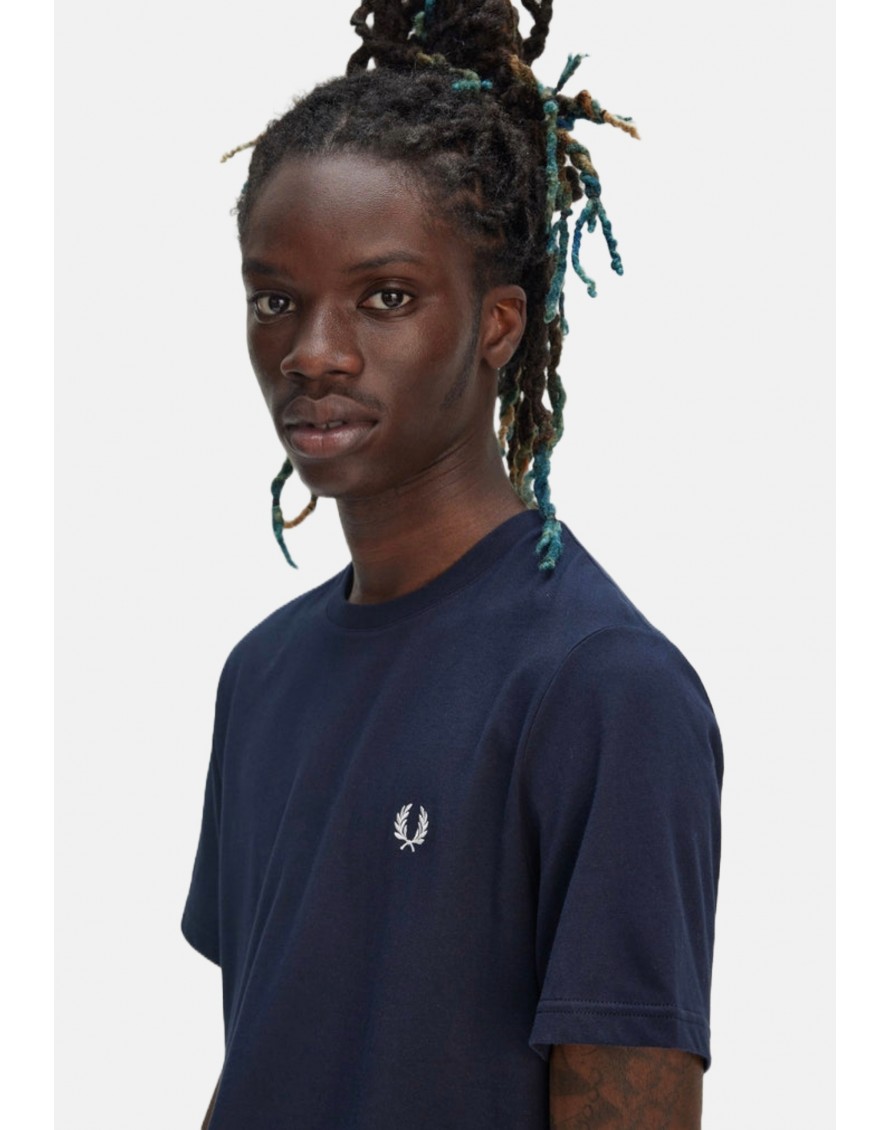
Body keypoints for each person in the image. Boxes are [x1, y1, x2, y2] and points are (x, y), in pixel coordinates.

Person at [181, 2, 723, 1126]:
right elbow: (272, 1054)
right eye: (275, 300)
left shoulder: (603, 690)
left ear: (498, 324)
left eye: (385, 297)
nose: (312, 354)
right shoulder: (259, 673)